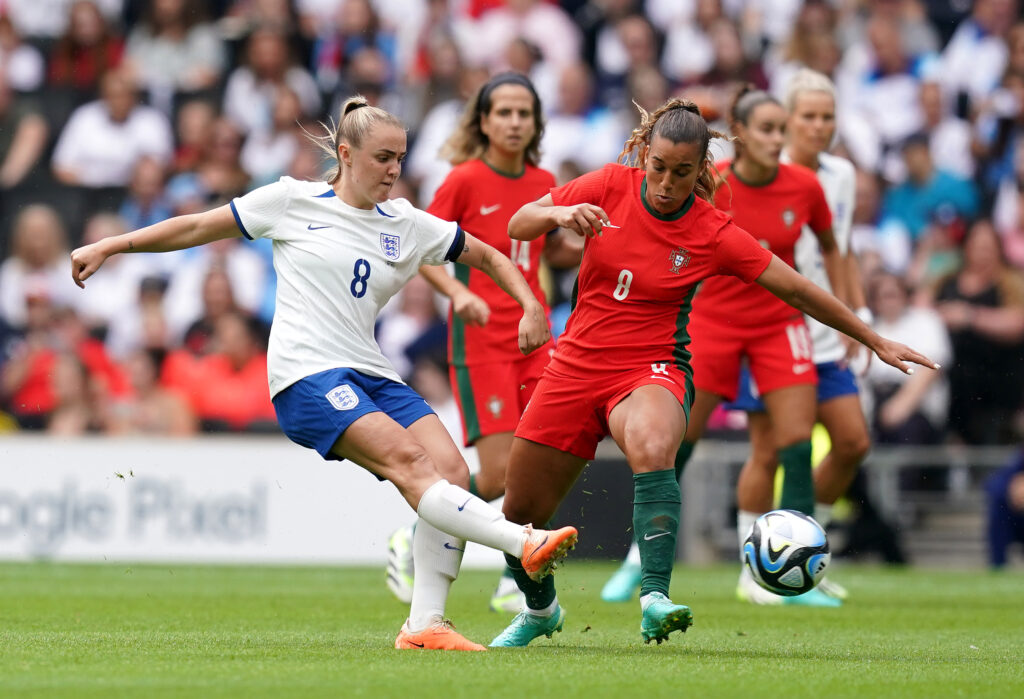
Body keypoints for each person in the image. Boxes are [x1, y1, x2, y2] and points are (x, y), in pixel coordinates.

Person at [70, 96, 578, 652]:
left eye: (401, 159)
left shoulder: (405, 223)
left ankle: (425, 624)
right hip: (306, 375)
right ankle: (522, 541)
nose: (393, 170)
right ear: (345, 153)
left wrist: (530, 304)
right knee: (412, 465)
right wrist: (113, 244)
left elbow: (490, 256)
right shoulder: (292, 200)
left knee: (454, 473)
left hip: (371, 371)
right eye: (382, 157)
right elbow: (196, 226)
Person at [489, 97, 938, 648]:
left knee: (655, 444)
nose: (667, 182)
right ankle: (540, 612)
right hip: (575, 365)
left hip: (650, 368)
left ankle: (654, 595)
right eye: (658, 167)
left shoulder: (712, 230)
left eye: (682, 172)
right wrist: (559, 214)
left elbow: (795, 286)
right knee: (518, 513)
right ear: (643, 153)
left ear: (702, 168)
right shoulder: (608, 184)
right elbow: (518, 220)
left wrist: (872, 337)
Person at [602, 80, 848, 607]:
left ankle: (783, 579)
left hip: (778, 324)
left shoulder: (806, 186)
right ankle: (635, 558)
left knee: (797, 442)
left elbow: (832, 247)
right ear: (739, 134)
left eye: (783, 129)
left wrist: (858, 315)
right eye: (767, 128)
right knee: (675, 444)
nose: (779, 138)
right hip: (714, 319)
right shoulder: (713, 185)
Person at [384, 72, 582, 613]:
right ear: (485, 121)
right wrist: (457, 293)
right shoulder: (465, 180)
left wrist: (581, 242)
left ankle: (512, 575)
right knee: (497, 471)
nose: (515, 122)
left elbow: (543, 253)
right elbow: (418, 249)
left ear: (536, 123)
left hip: (535, 336)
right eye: (505, 113)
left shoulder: (544, 179)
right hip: (479, 341)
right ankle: (420, 527)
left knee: (540, 460)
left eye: (525, 113)